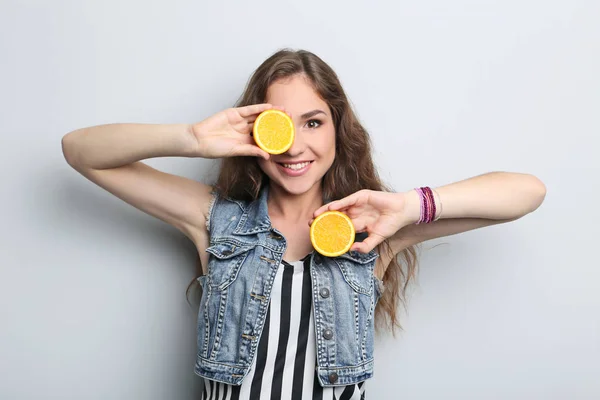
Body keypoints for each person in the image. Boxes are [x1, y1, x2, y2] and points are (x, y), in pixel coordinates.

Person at [61, 49, 546, 400]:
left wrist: (410, 206)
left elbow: (526, 193)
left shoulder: (374, 229)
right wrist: (191, 137)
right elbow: (80, 152)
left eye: (313, 123)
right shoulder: (217, 219)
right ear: (256, 132)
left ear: (338, 129)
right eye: (281, 126)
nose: (294, 148)